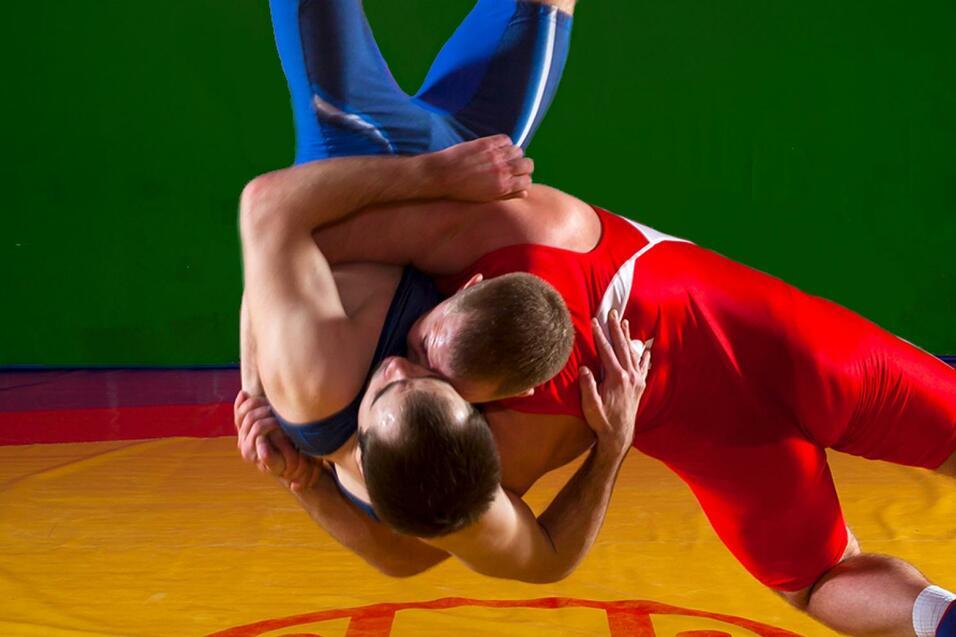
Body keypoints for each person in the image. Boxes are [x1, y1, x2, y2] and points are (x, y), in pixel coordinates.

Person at [238, 146, 956, 637]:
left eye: (418, 351)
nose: (399, 364)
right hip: (794, 345)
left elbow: (426, 549)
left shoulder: (515, 431)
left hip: (722, 436)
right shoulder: (515, 227)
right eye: (424, 362)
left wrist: (610, 445)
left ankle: (939, 620)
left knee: (820, 579)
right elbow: (282, 233)